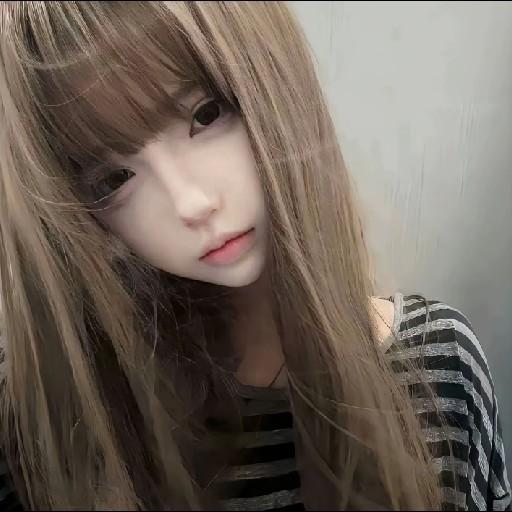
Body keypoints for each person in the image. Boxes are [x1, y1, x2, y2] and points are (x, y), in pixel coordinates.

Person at [0, 2, 509, 510]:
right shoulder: (44, 419)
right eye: (114, 179)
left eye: (205, 115)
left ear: (271, 81)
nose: (191, 203)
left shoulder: (437, 367)